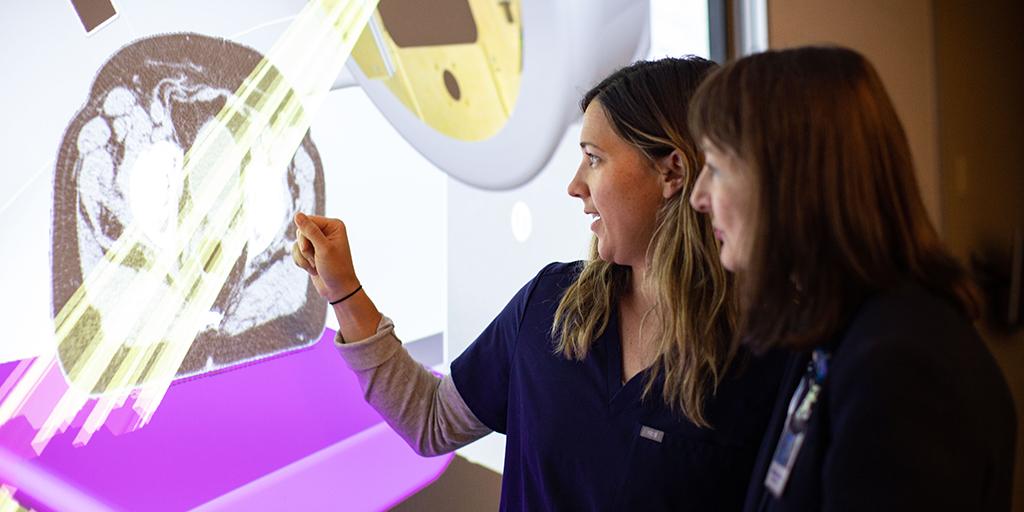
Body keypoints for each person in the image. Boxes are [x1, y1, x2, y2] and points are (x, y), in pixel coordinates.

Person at [292, 57, 784, 510]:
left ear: (671, 171)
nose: (575, 185)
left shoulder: (765, 354)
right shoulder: (550, 303)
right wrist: (344, 292)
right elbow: (431, 420)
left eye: (594, 157)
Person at [687, 45, 1017, 511]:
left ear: (792, 180)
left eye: (716, 168)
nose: (699, 196)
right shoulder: (833, 335)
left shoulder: (901, 366)